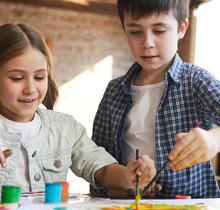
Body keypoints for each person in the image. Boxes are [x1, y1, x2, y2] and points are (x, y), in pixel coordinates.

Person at [0, 23, 156, 194]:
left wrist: (127, 176)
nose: (30, 89)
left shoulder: (66, 128)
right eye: (16, 78)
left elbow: (100, 169)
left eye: (40, 77)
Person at [92, 0, 220, 199]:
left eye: (159, 30)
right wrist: (124, 186)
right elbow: (97, 165)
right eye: (135, 32)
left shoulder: (197, 81)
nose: (147, 43)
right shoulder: (113, 92)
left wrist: (214, 139)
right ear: (124, 29)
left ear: (181, 28)